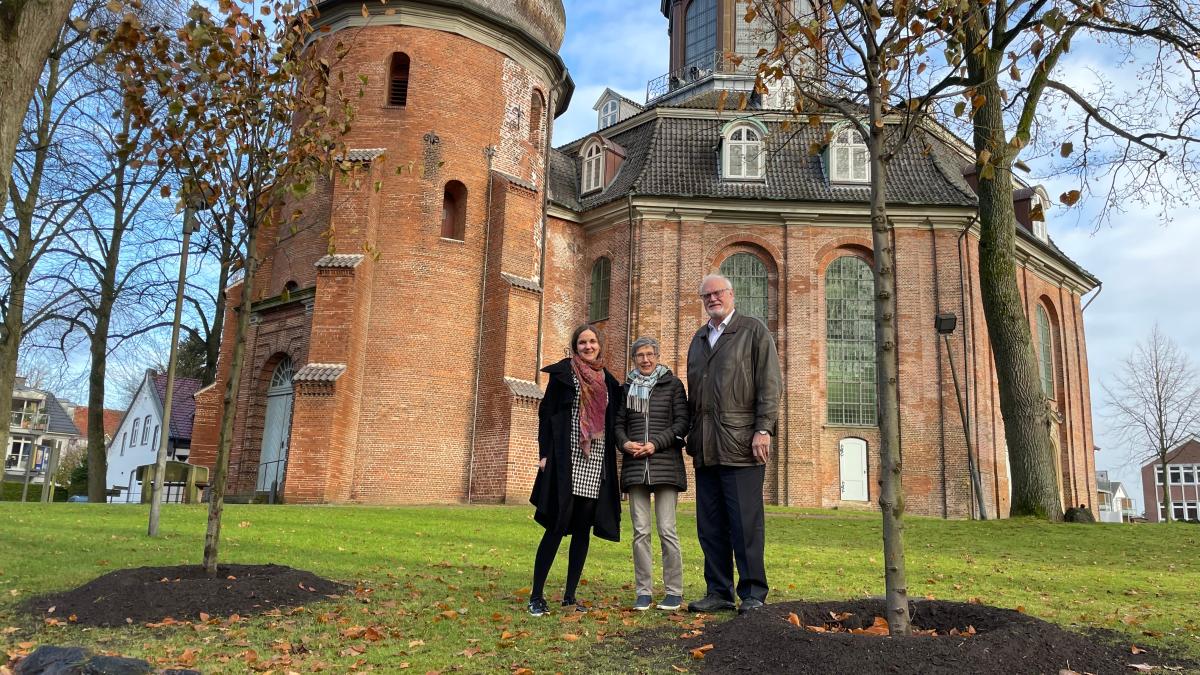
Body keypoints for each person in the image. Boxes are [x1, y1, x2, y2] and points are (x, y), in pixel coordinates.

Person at [685, 273, 782, 615]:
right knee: (710, 525)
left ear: (731, 294)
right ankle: (718, 591)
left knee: (745, 523)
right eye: (706, 295)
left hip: (742, 443)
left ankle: (753, 592)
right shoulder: (698, 339)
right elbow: (693, 395)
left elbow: (769, 385)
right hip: (706, 446)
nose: (712, 298)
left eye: (717, 293)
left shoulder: (753, 331)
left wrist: (763, 429)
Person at [528, 324, 622, 617]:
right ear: (575, 346)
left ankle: (569, 597)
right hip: (565, 459)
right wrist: (544, 454)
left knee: (582, 530)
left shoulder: (609, 381)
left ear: (599, 345)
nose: (588, 346)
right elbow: (546, 414)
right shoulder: (563, 375)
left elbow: (615, 419)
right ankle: (536, 595)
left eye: (592, 341)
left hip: (595, 461)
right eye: (582, 342)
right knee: (556, 526)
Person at [614, 337, 690, 612]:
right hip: (635, 466)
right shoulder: (626, 388)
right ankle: (643, 592)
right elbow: (618, 424)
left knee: (667, 530)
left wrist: (656, 443)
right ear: (634, 359)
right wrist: (624, 443)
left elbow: (683, 421)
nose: (645, 360)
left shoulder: (673, 385)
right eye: (640, 356)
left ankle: (673, 591)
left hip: (665, 463)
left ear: (657, 356)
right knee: (640, 532)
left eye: (649, 355)